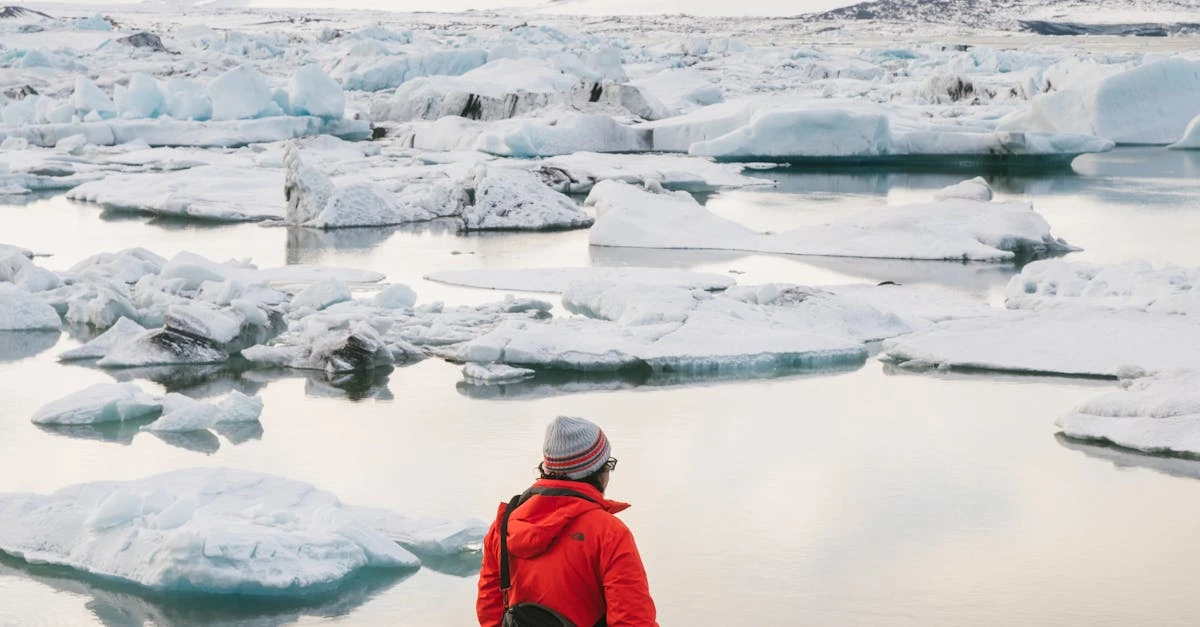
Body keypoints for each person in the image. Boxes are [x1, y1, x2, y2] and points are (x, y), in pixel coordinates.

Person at [477, 416, 658, 627]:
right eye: (608, 464)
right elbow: (633, 620)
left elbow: (489, 610)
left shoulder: (504, 527)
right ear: (594, 471)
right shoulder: (609, 533)